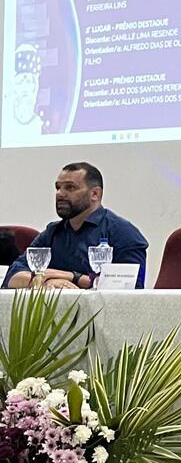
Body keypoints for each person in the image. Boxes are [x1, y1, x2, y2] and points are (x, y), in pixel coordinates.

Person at [2, 162, 148, 289]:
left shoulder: (122, 233)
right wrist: (48, 281)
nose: (60, 194)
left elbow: (130, 288)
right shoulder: (52, 233)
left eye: (70, 187)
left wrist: (73, 277)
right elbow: (12, 276)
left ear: (95, 194)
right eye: (58, 187)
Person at [8, 43, 47, 141]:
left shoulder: (41, 129)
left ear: (34, 87)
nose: (24, 87)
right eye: (20, 82)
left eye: (28, 81)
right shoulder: (5, 124)